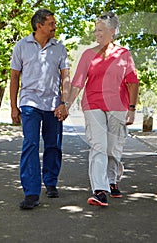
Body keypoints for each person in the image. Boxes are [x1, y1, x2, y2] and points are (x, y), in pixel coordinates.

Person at [66, 11, 139, 207]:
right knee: (98, 145)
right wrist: (66, 105)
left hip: (118, 106)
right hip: (93, 104)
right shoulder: (88, 54)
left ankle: (112, 179)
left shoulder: (124, 54)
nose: (96, 33)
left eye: (101, 30)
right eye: (96, 29)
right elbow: (77, 83)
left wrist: (132, 109)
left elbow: (132, 82)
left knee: (113, 148)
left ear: (112, 31)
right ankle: (99, 190)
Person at [10, 8, 70, 209]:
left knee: (53, 145)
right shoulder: (22, 46)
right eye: (51, 23)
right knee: (31, 144)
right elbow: (14, 77)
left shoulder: (59, 48)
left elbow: (66, 78)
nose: (55, 27)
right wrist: (13, 107)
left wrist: (64, 103)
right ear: (39, 26)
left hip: (53, 104)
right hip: (29, 103)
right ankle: (31, 193)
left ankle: (51, 182)